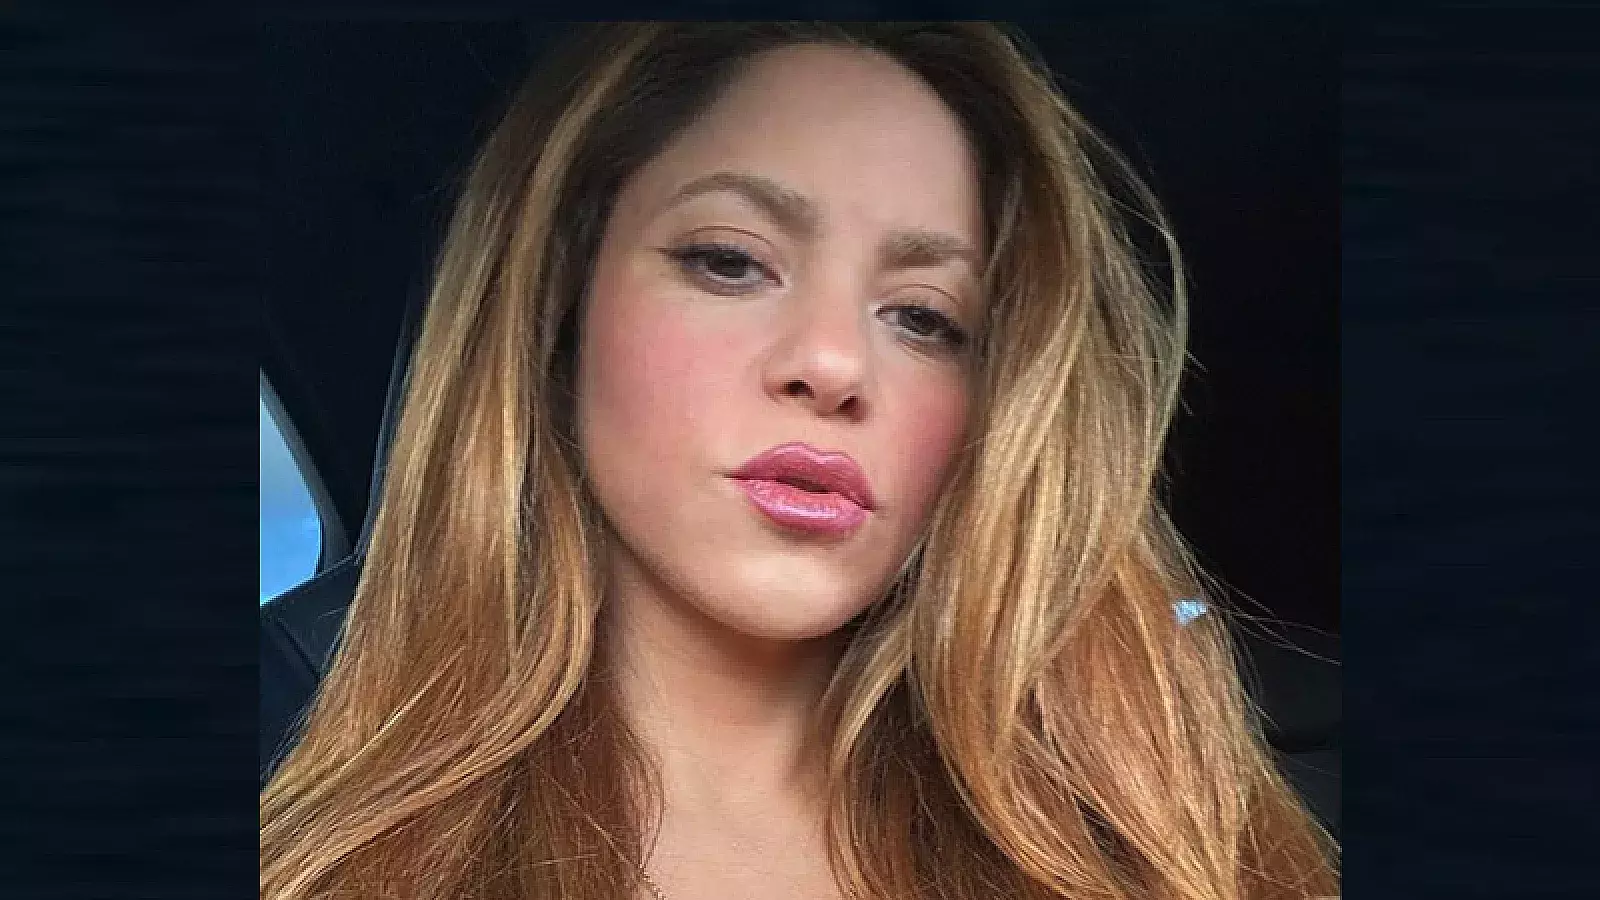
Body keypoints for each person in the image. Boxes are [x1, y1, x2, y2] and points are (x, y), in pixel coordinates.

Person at [260, 22, 1338, 900]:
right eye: (730, 261)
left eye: (925, 318)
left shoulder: (1161, 836)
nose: (833, 365)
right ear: (559, 311)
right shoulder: (302, 822)